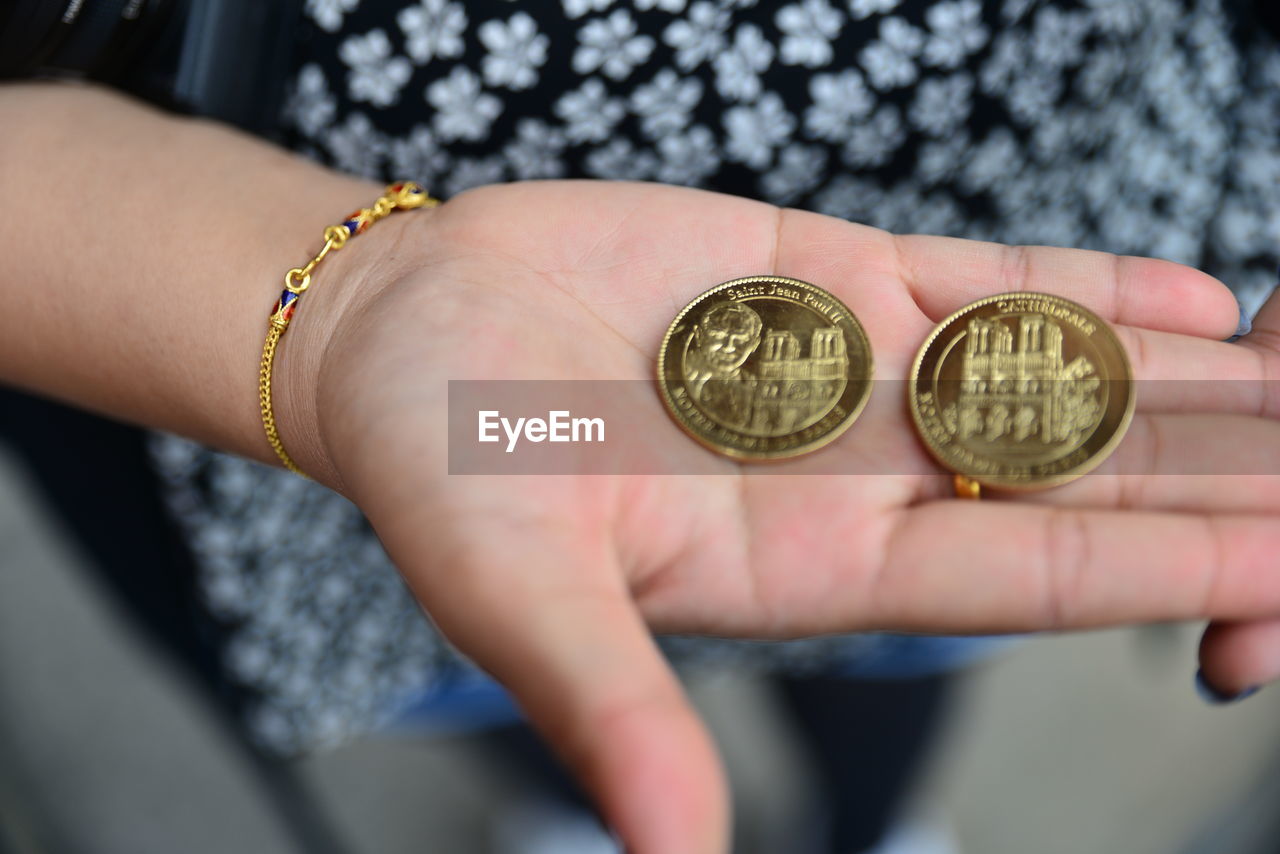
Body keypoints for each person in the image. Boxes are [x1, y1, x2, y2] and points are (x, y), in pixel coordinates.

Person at [1, 2, 1279, 853]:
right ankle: (596, 804)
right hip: (219, 288)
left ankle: (869, 824)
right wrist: (338, 311)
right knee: (486, 635)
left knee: (903, 627)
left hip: (1023, 180)